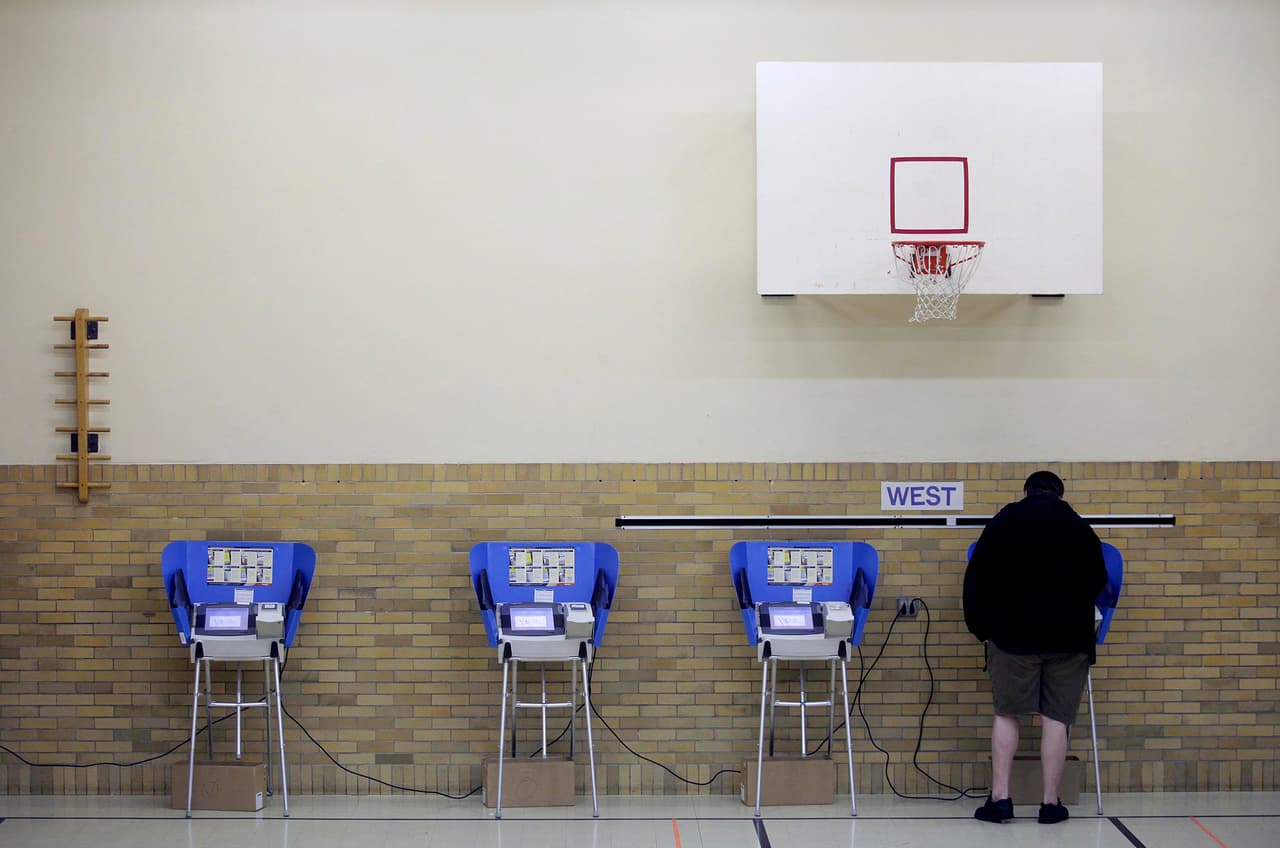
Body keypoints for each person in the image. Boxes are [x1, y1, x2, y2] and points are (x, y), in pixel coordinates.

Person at [963, 470, 1107, 825]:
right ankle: (1050, 803)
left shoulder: (1003, 522)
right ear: (1060, 493)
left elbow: (976, 578)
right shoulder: (1079, 527)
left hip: (1013, 638)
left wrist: (981, 629)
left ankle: (1000, 800)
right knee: (1056, 718)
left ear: (1026, 492)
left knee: (1007, 713)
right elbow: (1099, 579)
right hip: (1069, 638)